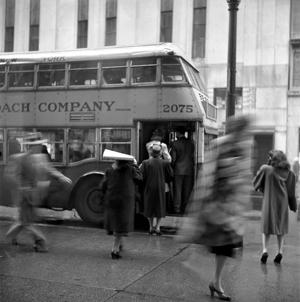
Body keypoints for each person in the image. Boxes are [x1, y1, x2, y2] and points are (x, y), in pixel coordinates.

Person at [179, 115, 252, 301]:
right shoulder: (220, 145)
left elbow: (244, 177)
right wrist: (199, 203)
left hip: (230, 207)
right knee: (213, 242)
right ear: (235, 130)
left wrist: (242, 205)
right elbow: (208, 175)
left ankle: (216, 282)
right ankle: (200, 268)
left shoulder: (243, 147)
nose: (245, 135)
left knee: (226, 247)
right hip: (216, 204)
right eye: (243, 131)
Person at [5, 132, 72, 252]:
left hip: (34, 195)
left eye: (40, 144)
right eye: (36, 145)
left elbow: (50, 169)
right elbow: (11, 176)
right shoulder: (19, 159)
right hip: (24, 197)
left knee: (23, 221)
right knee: (26, 221)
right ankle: (40, 241)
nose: (39, 147)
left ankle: (10, 237)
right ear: (30, 146)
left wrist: (60, 176)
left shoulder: (42, 158)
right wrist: (21, 188)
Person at [253, 150, 297, 265]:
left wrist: (267, 164)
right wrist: (293, 206)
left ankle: (264, 250)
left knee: (266, 227)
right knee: (281, 228)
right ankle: (280, 252)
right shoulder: (289, 173)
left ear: (273, 159)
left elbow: (256, 183)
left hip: (269, 201)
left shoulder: (266, 169)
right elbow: (291, 193)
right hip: (282, 203)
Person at [100, 157, 142, 259]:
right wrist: (135, 165)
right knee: (120, 226)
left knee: (116, 223)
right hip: (124, 201)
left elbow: (102, 186)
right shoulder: (130, 169)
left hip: (112, 199)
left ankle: (120, 244)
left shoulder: (109, 170)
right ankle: (115, 251)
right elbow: (139, 178)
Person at [140, 144, 173, 235]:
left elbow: (141, 176)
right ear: (160, 153)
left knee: (149, 206)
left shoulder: (145, 163)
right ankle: (157, 227)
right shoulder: (165, 163)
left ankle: (151, 227)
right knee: (160, 206)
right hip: (160, 187)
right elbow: (170, 175)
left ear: (151, 152)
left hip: (149, 187)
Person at [170, 127, 194, 214]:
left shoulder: (175, 143)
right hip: (189, 169)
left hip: (178, 170)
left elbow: (173, 158)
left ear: (178, 133)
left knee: (178, 190)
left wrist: (171, 167)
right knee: (187, 189)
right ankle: (186, 208)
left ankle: (177, 208)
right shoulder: (191, 143)